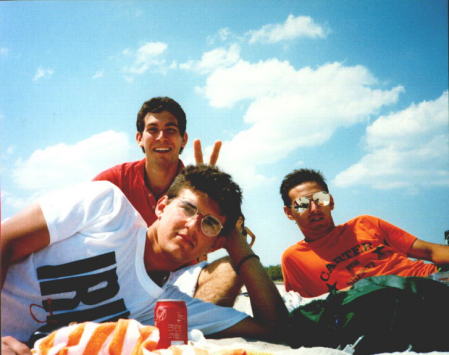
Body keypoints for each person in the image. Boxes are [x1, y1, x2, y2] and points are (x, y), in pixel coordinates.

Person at [1, 165, 288, 354]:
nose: (192, 226)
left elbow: (273, 328)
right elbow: (6, 240)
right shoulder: (107, 207)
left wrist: (236, 243)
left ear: (215, 244)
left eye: (209, 224)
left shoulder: (169, 307)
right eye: (187, 208)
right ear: (162, 206)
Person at [92, 97, 242, 305]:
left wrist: (208, 188)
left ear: (183, 139)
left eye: (170, 130)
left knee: (232, 268)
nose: (161, 137)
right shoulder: (112, 182)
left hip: (176, 281)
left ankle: (193, 325)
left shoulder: (194, 188)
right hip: (119, 278)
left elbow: (224, 238)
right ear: (139, 138)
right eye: (153, 129)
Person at [279, 168, 449, 297]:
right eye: (302, 204)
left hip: (433, 280)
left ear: (331, 202)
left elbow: (429, 251)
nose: (314, 208)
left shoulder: (365, 224)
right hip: (383, 307)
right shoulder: (294, 258)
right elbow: (307, 309)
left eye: (320, 199)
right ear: (288, 213)